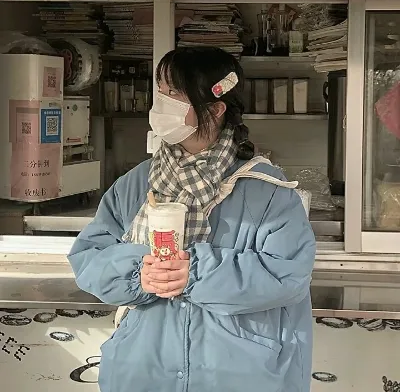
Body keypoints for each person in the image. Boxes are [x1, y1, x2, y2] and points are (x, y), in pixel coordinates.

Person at [68, 46, 316, 392]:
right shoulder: (138, 183)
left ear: (214, 109)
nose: (160, 104)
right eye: (161, 92)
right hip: (144, 371)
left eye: (174, 94)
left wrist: (196, 272)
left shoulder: (267, 190)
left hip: (238, 376)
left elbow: (288, 274)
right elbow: (89, 258)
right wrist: (140, 273)